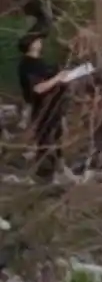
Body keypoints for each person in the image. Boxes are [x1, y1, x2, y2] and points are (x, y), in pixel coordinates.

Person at [16, 32, 69, 182]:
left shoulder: (40, 62)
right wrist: (57, 78)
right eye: (37, 40)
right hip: (43, 109)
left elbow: (50, 81)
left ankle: (59, 173)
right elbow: (38, 88)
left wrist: (62, 78)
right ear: (30, 44)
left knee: (56, 141)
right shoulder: (27, 65)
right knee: (46, 142)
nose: (40, 42)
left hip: (54, 106)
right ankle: (45, 178)